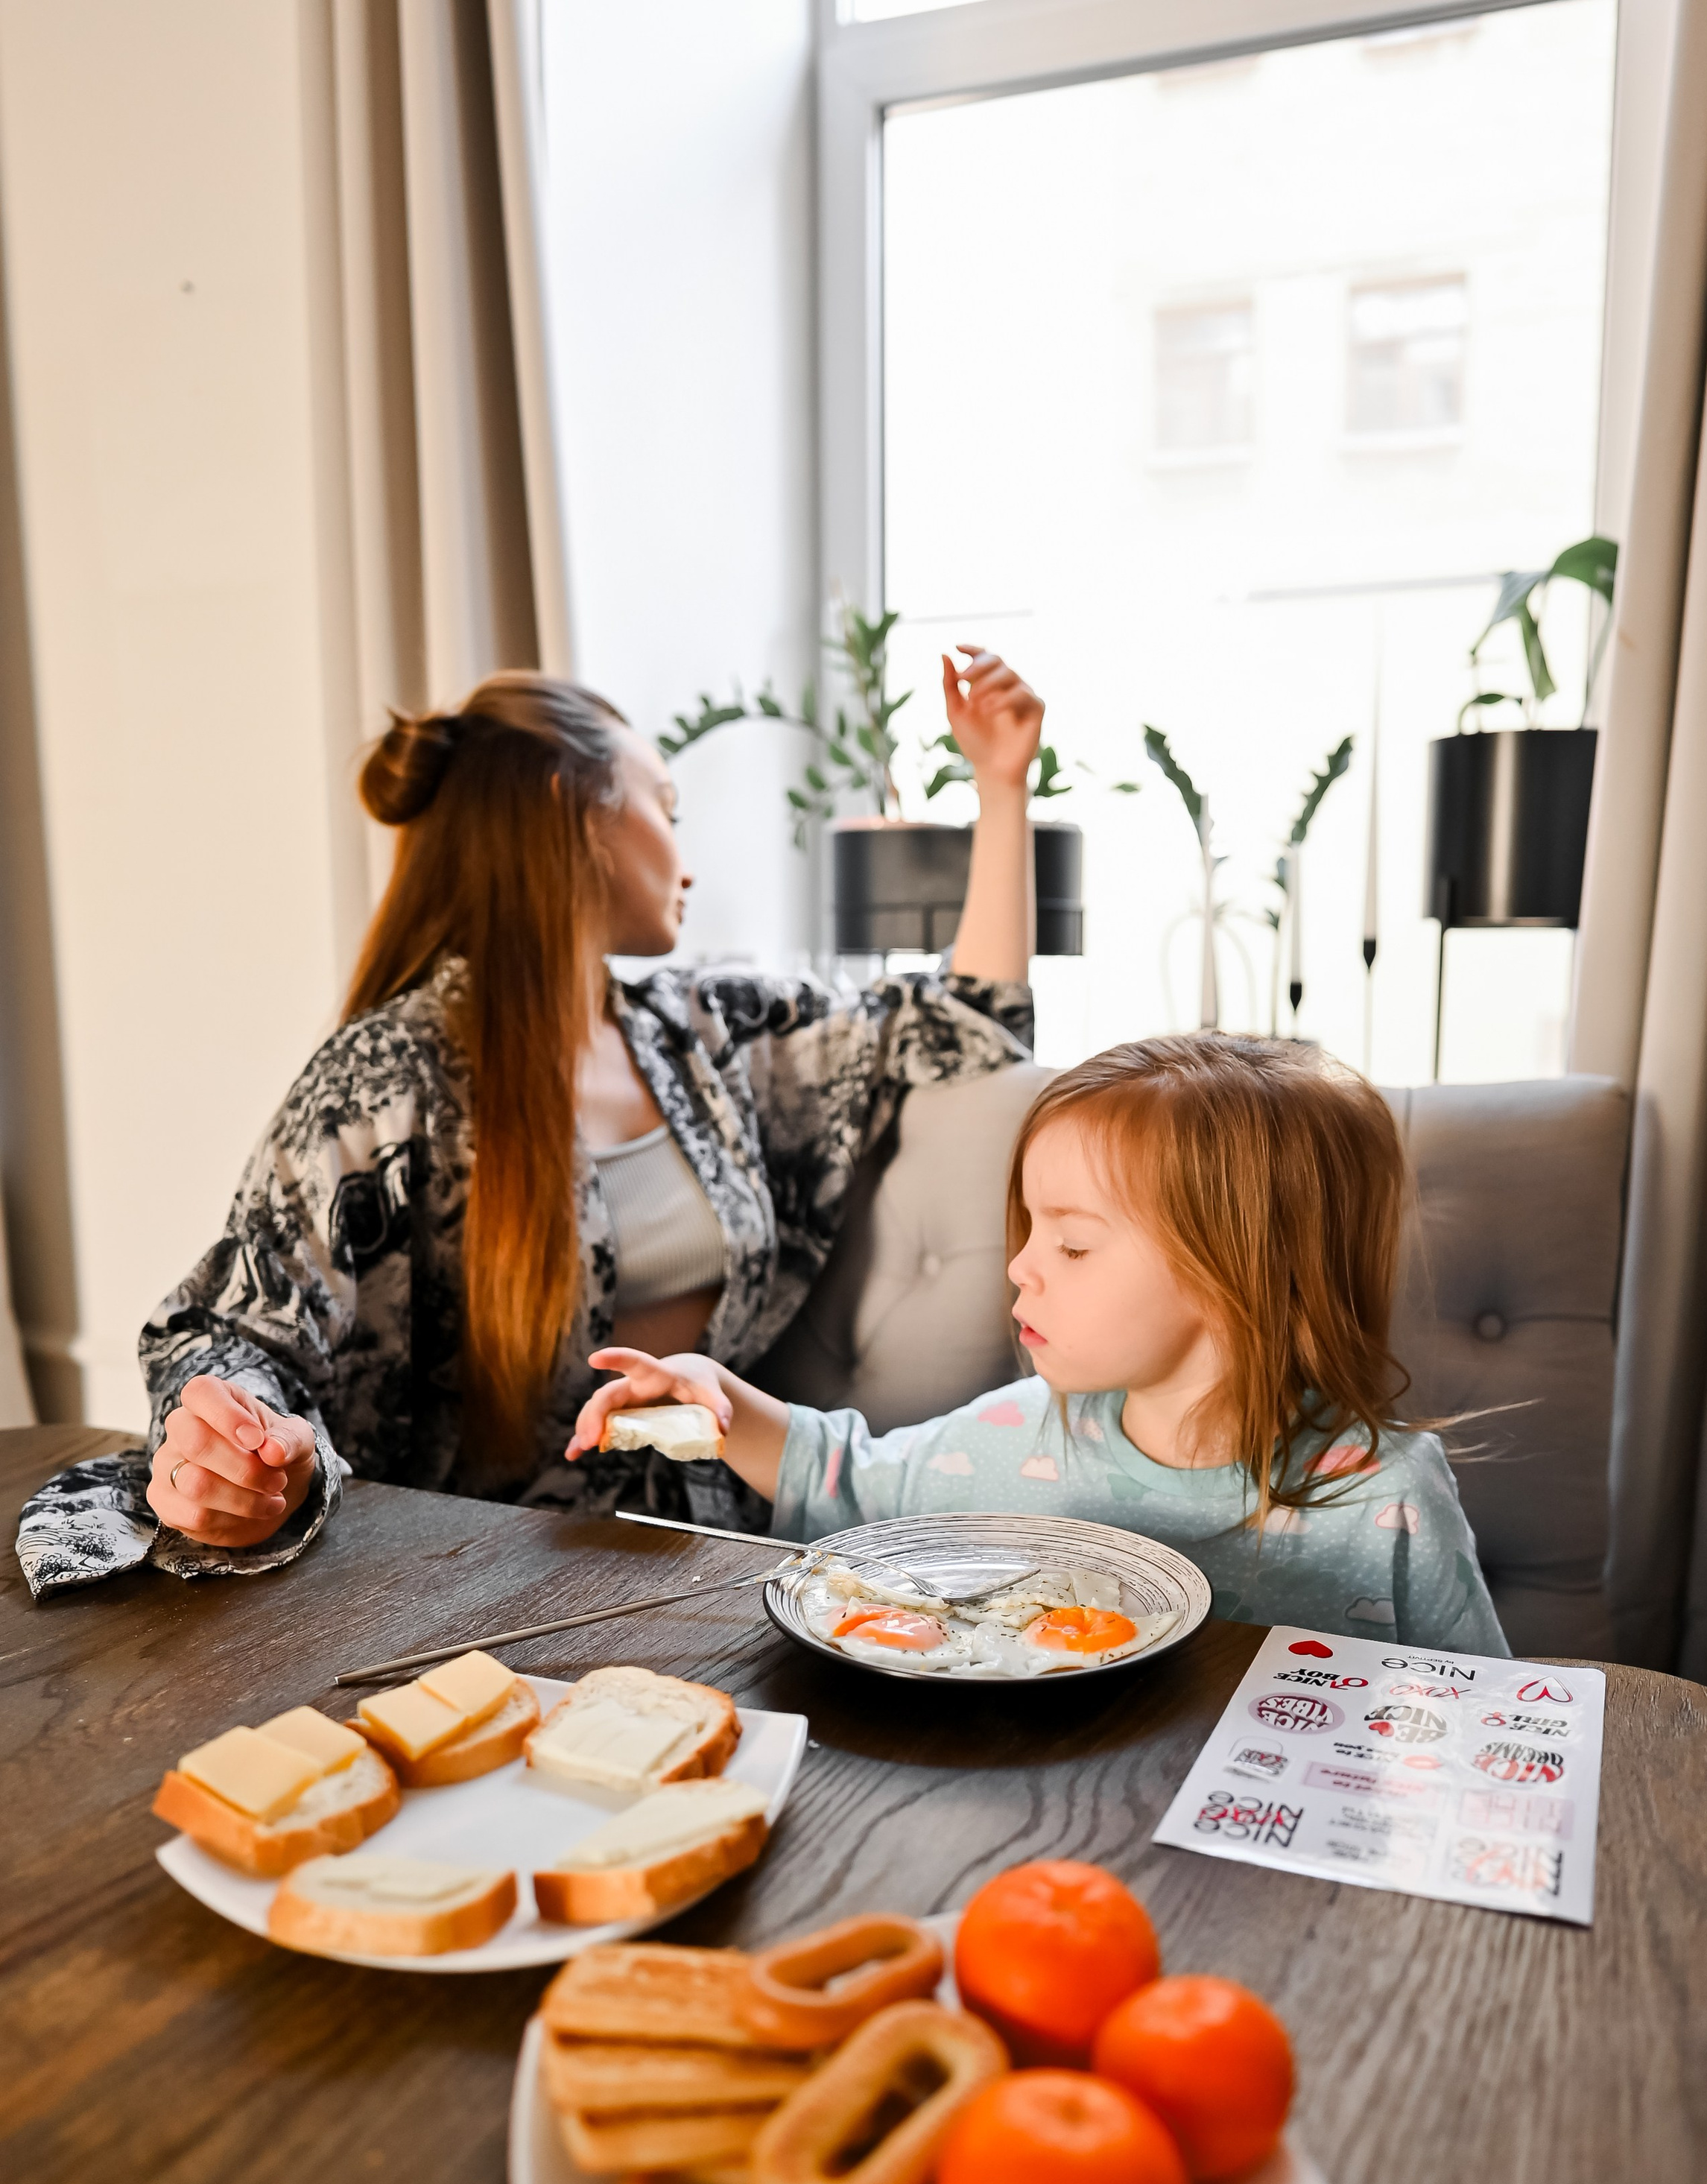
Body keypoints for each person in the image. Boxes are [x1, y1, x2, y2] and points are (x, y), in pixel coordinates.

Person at [15, 651, 1046, 1598]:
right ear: (577, 808)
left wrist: (1002, 789)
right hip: (476, 1571)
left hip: (723, 1551)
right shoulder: (392, 1075)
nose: (687, 858)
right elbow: (236, 1328)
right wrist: (234, 1450)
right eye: (667, 807)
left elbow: (964, 1027)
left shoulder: (711, 1032)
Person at [568, 1033, 1510, 1655]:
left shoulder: (1390, 1498)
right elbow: (843, 1479)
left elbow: (1487, 1713)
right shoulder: (1012, 1434)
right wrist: (714, 1396)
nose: (1020, 1266)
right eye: (1030, 1231)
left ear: (1239, 1275)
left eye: (1073, 1246)